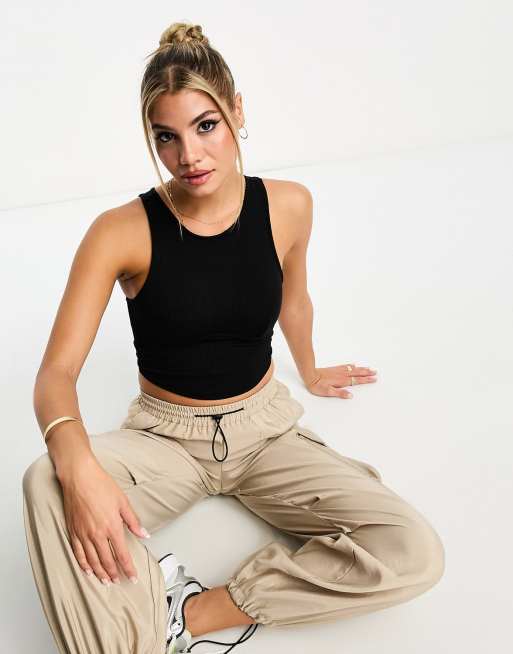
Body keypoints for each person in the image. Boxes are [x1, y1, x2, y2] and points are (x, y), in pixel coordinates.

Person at [22, 21, 445, 654]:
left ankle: (185, 615)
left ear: (237, 112)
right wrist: (78, 465)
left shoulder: (289, 205)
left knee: (414, 551)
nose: (189, 156)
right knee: (45, 480)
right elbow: (55, 374)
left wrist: (311, 368)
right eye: (167, 137)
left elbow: (293, 299)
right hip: (167, 439)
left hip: (266, 431)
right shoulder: (120, 231)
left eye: (205, 126)